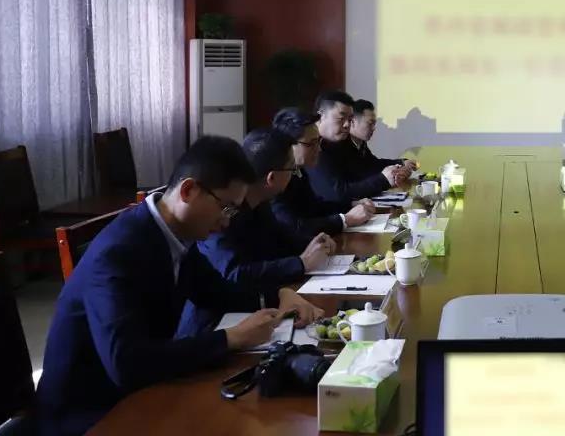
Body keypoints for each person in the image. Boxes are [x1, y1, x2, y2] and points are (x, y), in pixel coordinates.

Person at [36, 136, 318, 436]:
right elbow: (126, 363)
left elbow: (215, 290)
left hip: (142, 392)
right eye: (226, 208)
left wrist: (278, 294)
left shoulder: (174, 233)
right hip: (89, 414)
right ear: (188, 191)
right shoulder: (118, 251)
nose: (227, 222)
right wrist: (230, 338)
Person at [181, 128, 332, 335]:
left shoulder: (258, 202)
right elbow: (234, 274)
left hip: (251, 309)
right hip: (215, 324)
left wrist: (314, 243)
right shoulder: (222, 211)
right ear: (271, 178)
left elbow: (280, 237)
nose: (225, 220)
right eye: (292, 169)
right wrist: (301, 263)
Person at [270, 107, 374, 241]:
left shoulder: (298, 170)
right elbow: (295, 227)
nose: (318, 149)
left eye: (318, 141)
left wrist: (351, 205)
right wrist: (346, 219)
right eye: (311, 143)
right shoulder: (275, 178)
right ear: (288, 145)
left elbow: (314, 207)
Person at [310, 89, 408, 212]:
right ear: (321, 115)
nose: (347, 125)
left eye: (349, 119)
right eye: (341, 118)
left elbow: (363, 170)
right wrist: (383, 179)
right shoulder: (311, 146)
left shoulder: (336, 143)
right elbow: (337, 192)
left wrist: (351, 203)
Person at [343, 98, 419, 179]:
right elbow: (358, 177)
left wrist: (402, 162)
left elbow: (374, 164)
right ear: (352, 122)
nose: (374, 128)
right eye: (370, 123)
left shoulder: (360, 143)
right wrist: (386, 177)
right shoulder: (341, 146)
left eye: (374, 124)